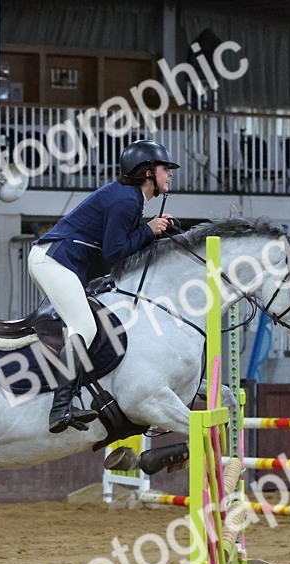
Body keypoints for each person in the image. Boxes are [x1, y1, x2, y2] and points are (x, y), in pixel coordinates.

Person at [29, 139, 179, 433]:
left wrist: (152, 231)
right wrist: (149, 230)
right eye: (165, 168)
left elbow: (120, 244)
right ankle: (60, 409)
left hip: (62, 262)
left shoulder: (130, 199)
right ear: (148, 172)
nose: (169, 174)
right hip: (54, 261)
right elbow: (113, 253)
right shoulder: (126, 200)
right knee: (83, 326)